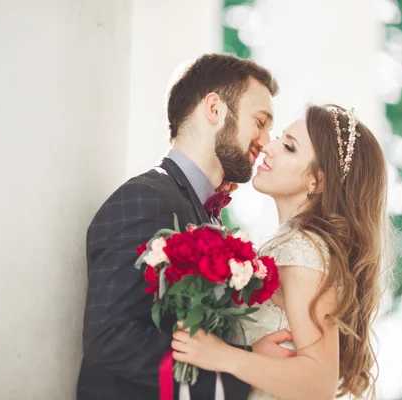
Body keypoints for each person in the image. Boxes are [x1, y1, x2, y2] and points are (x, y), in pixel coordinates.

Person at [77, 54, 295, 400]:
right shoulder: (143, 199)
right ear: (214, 108)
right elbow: (110, 339)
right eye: (260, 121)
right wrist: (241, 366)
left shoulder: (209, 214)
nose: (267, 141)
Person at [171, 104, 394, 399]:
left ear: (319, 181)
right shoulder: (291, 243)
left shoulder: (304, 251)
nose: (269, 147)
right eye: (280, 138)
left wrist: (223, 356)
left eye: (288, 147)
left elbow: (319, 382)